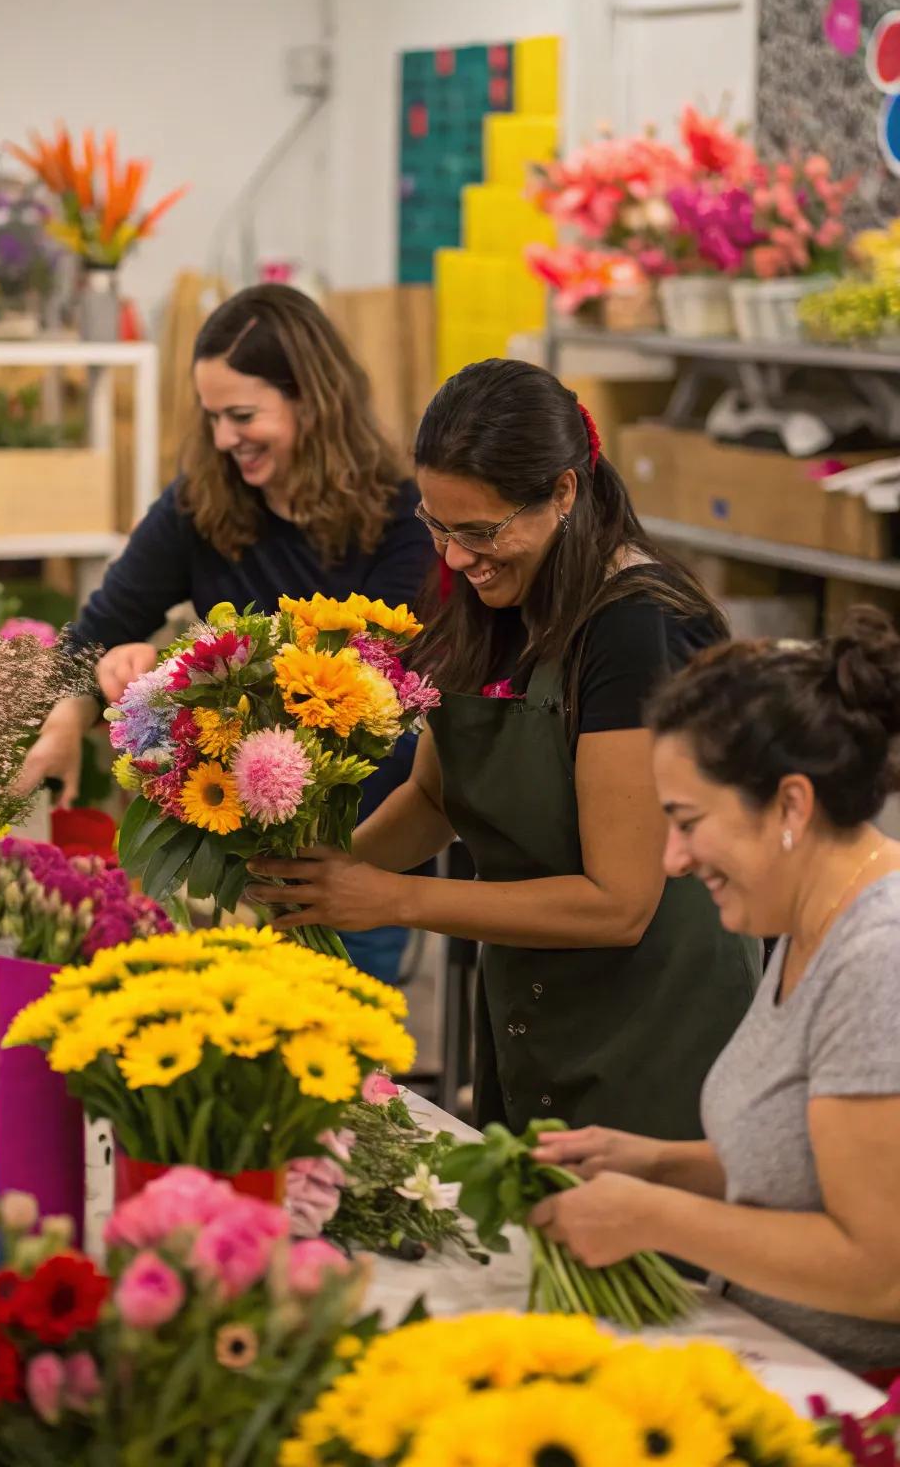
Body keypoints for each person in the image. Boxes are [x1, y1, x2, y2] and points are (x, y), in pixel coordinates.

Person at [248, 358, 761, 1138]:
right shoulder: (493, 598)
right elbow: (434, 797)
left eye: (481, 531)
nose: (456, 557)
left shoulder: (633, 626)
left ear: (563, 492)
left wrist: (390, 900)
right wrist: (318, 883)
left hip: (651, 1030)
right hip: (536, 1006)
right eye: (438, 526)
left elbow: (620, 903)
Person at [18, 283, 435, 980]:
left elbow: (368, 689)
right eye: (211, 417)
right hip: (221, 857)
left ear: (312, 397)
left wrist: (171, 673)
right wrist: (70, 719)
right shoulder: (200, 505)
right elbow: (96, 633)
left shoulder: (402, 521)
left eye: (242, 415)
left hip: (356, 851)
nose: (222, 439)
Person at [529, 606, 900, 1373]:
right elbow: (809, 1164)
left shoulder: (879, 960)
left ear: (792, 806)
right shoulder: (808, 919)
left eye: (688, 821)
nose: (671, 859)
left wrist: (656, 1216)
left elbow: (881, 1271)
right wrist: (657, 1163)